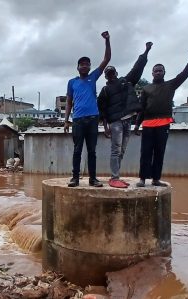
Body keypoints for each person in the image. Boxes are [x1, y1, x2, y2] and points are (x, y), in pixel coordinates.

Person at [134, 47, 188, 187]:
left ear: (164, 73)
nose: (158, 72)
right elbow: (141, 108)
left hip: (163, 124)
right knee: (145, 152)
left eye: (160, 70)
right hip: (148, 125)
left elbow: (184, 74)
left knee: (159, 152)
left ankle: (156, 179)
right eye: (155, 70)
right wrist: (137, 125)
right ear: (152, 73)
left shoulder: (170, 85)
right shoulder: (146, 89)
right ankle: (142, 179)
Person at [97, 42, 153, 188]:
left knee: (122, 150)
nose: (111, 75)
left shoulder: (125, 82)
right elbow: (101, 109)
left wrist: (146, 51)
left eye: (112, 72)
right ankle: (114, 177)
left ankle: (116, 176)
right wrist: (106, 126)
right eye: (108, 73)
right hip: (115, 122)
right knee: (116, 149)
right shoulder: (105, 90)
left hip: (128, 121)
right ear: (106, 77)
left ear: (116, 73)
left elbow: (137, 68)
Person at [64, 31, 111, 187]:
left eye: (87, 64)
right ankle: (75, 178)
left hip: (92, 119)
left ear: (89, 66)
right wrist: (66, 121)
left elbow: (106, 59)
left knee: (92, 151)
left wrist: (107, 41)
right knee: (77, 150)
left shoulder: (93, 77)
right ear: (77, 67)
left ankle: (93, 179)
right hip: (77, 120)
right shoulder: (72, 82)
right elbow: (69, 102)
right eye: (82, 64)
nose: (84, 66)